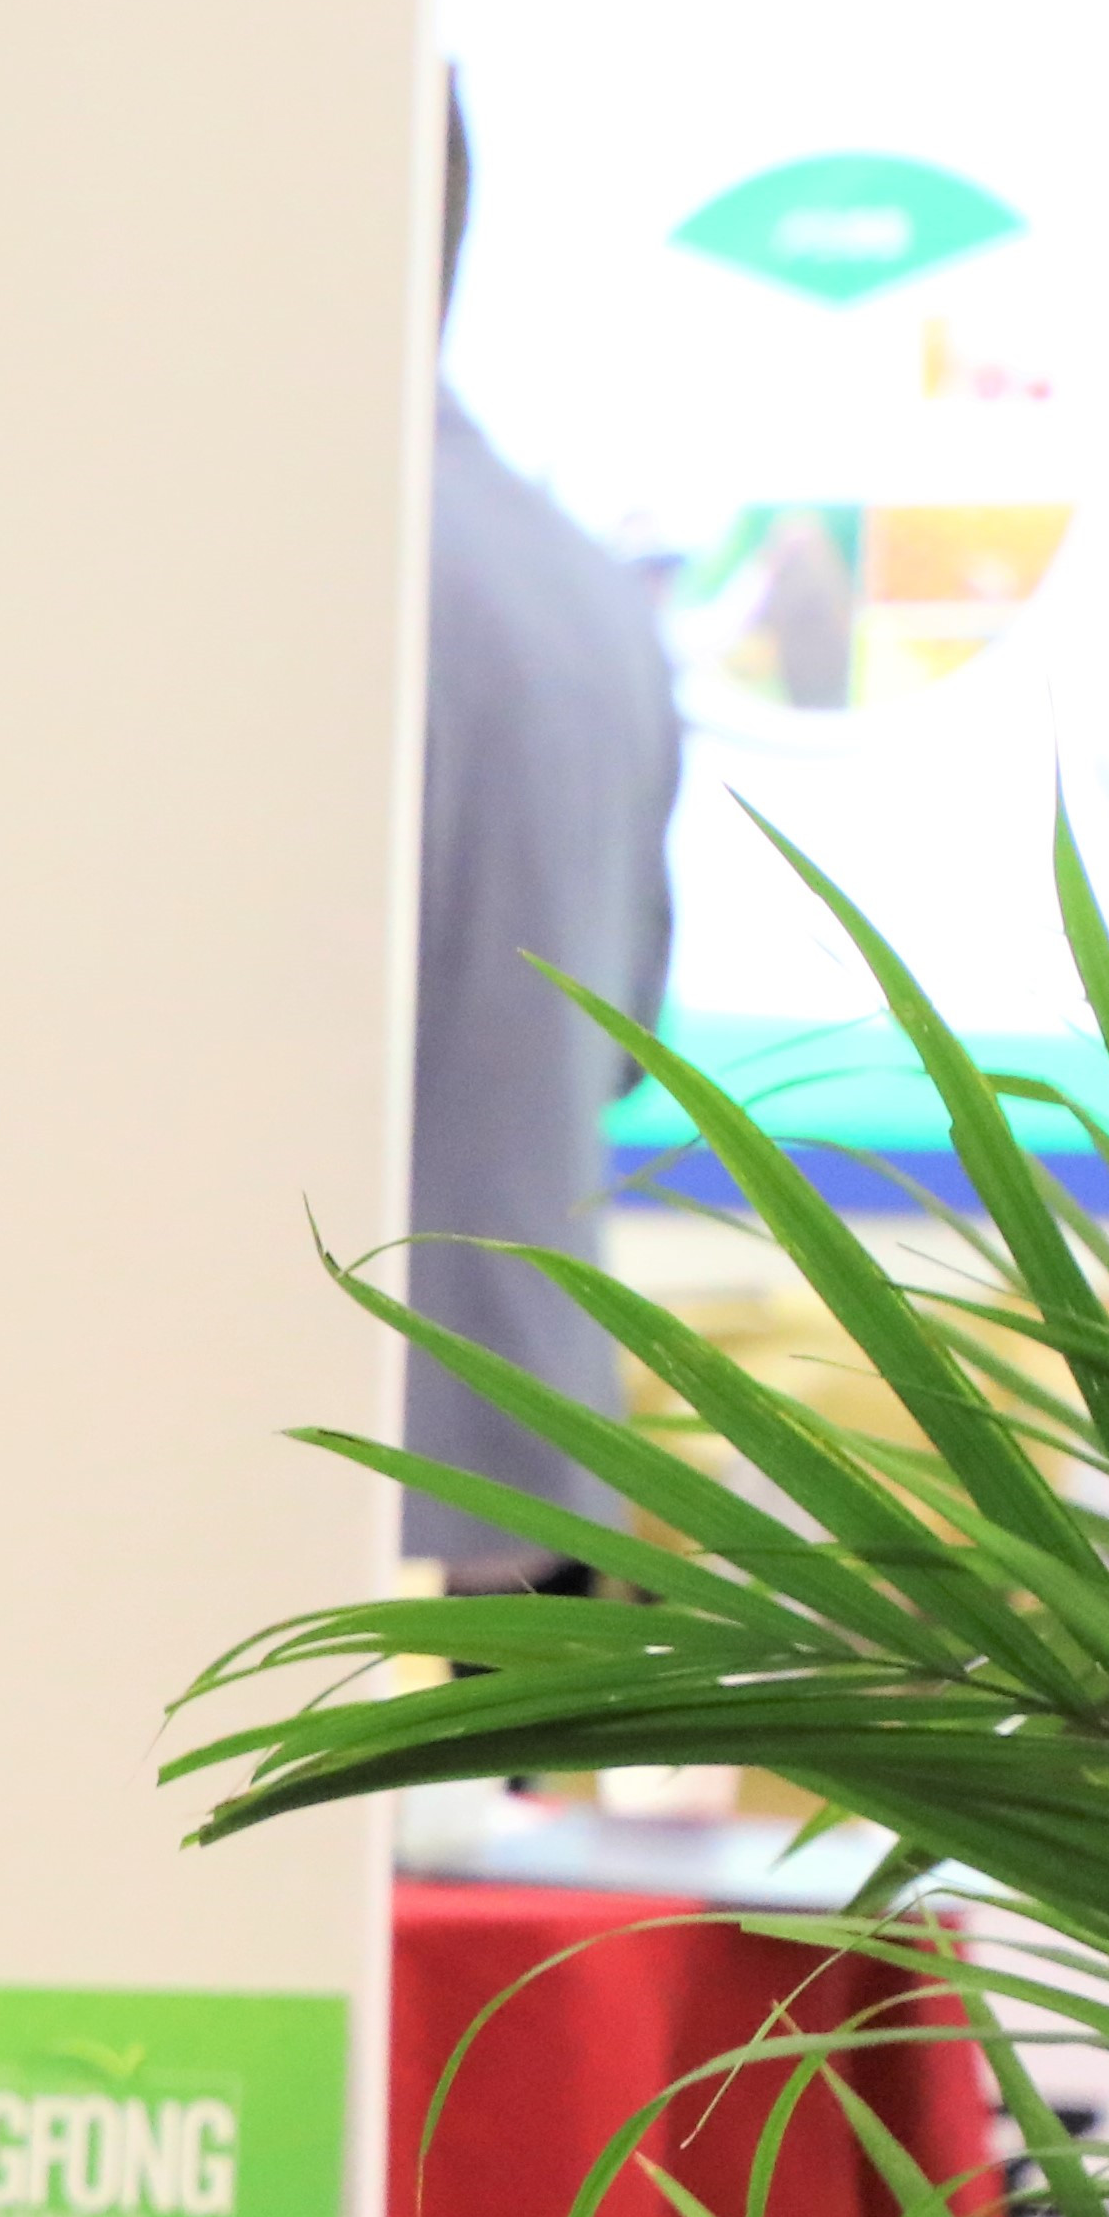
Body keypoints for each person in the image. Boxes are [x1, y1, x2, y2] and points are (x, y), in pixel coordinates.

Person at [408, 82, 683, 1593]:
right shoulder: (585, 586)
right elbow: (622, 1037)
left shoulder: (326, 580)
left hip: (332, 1511)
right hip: (537, 1480)